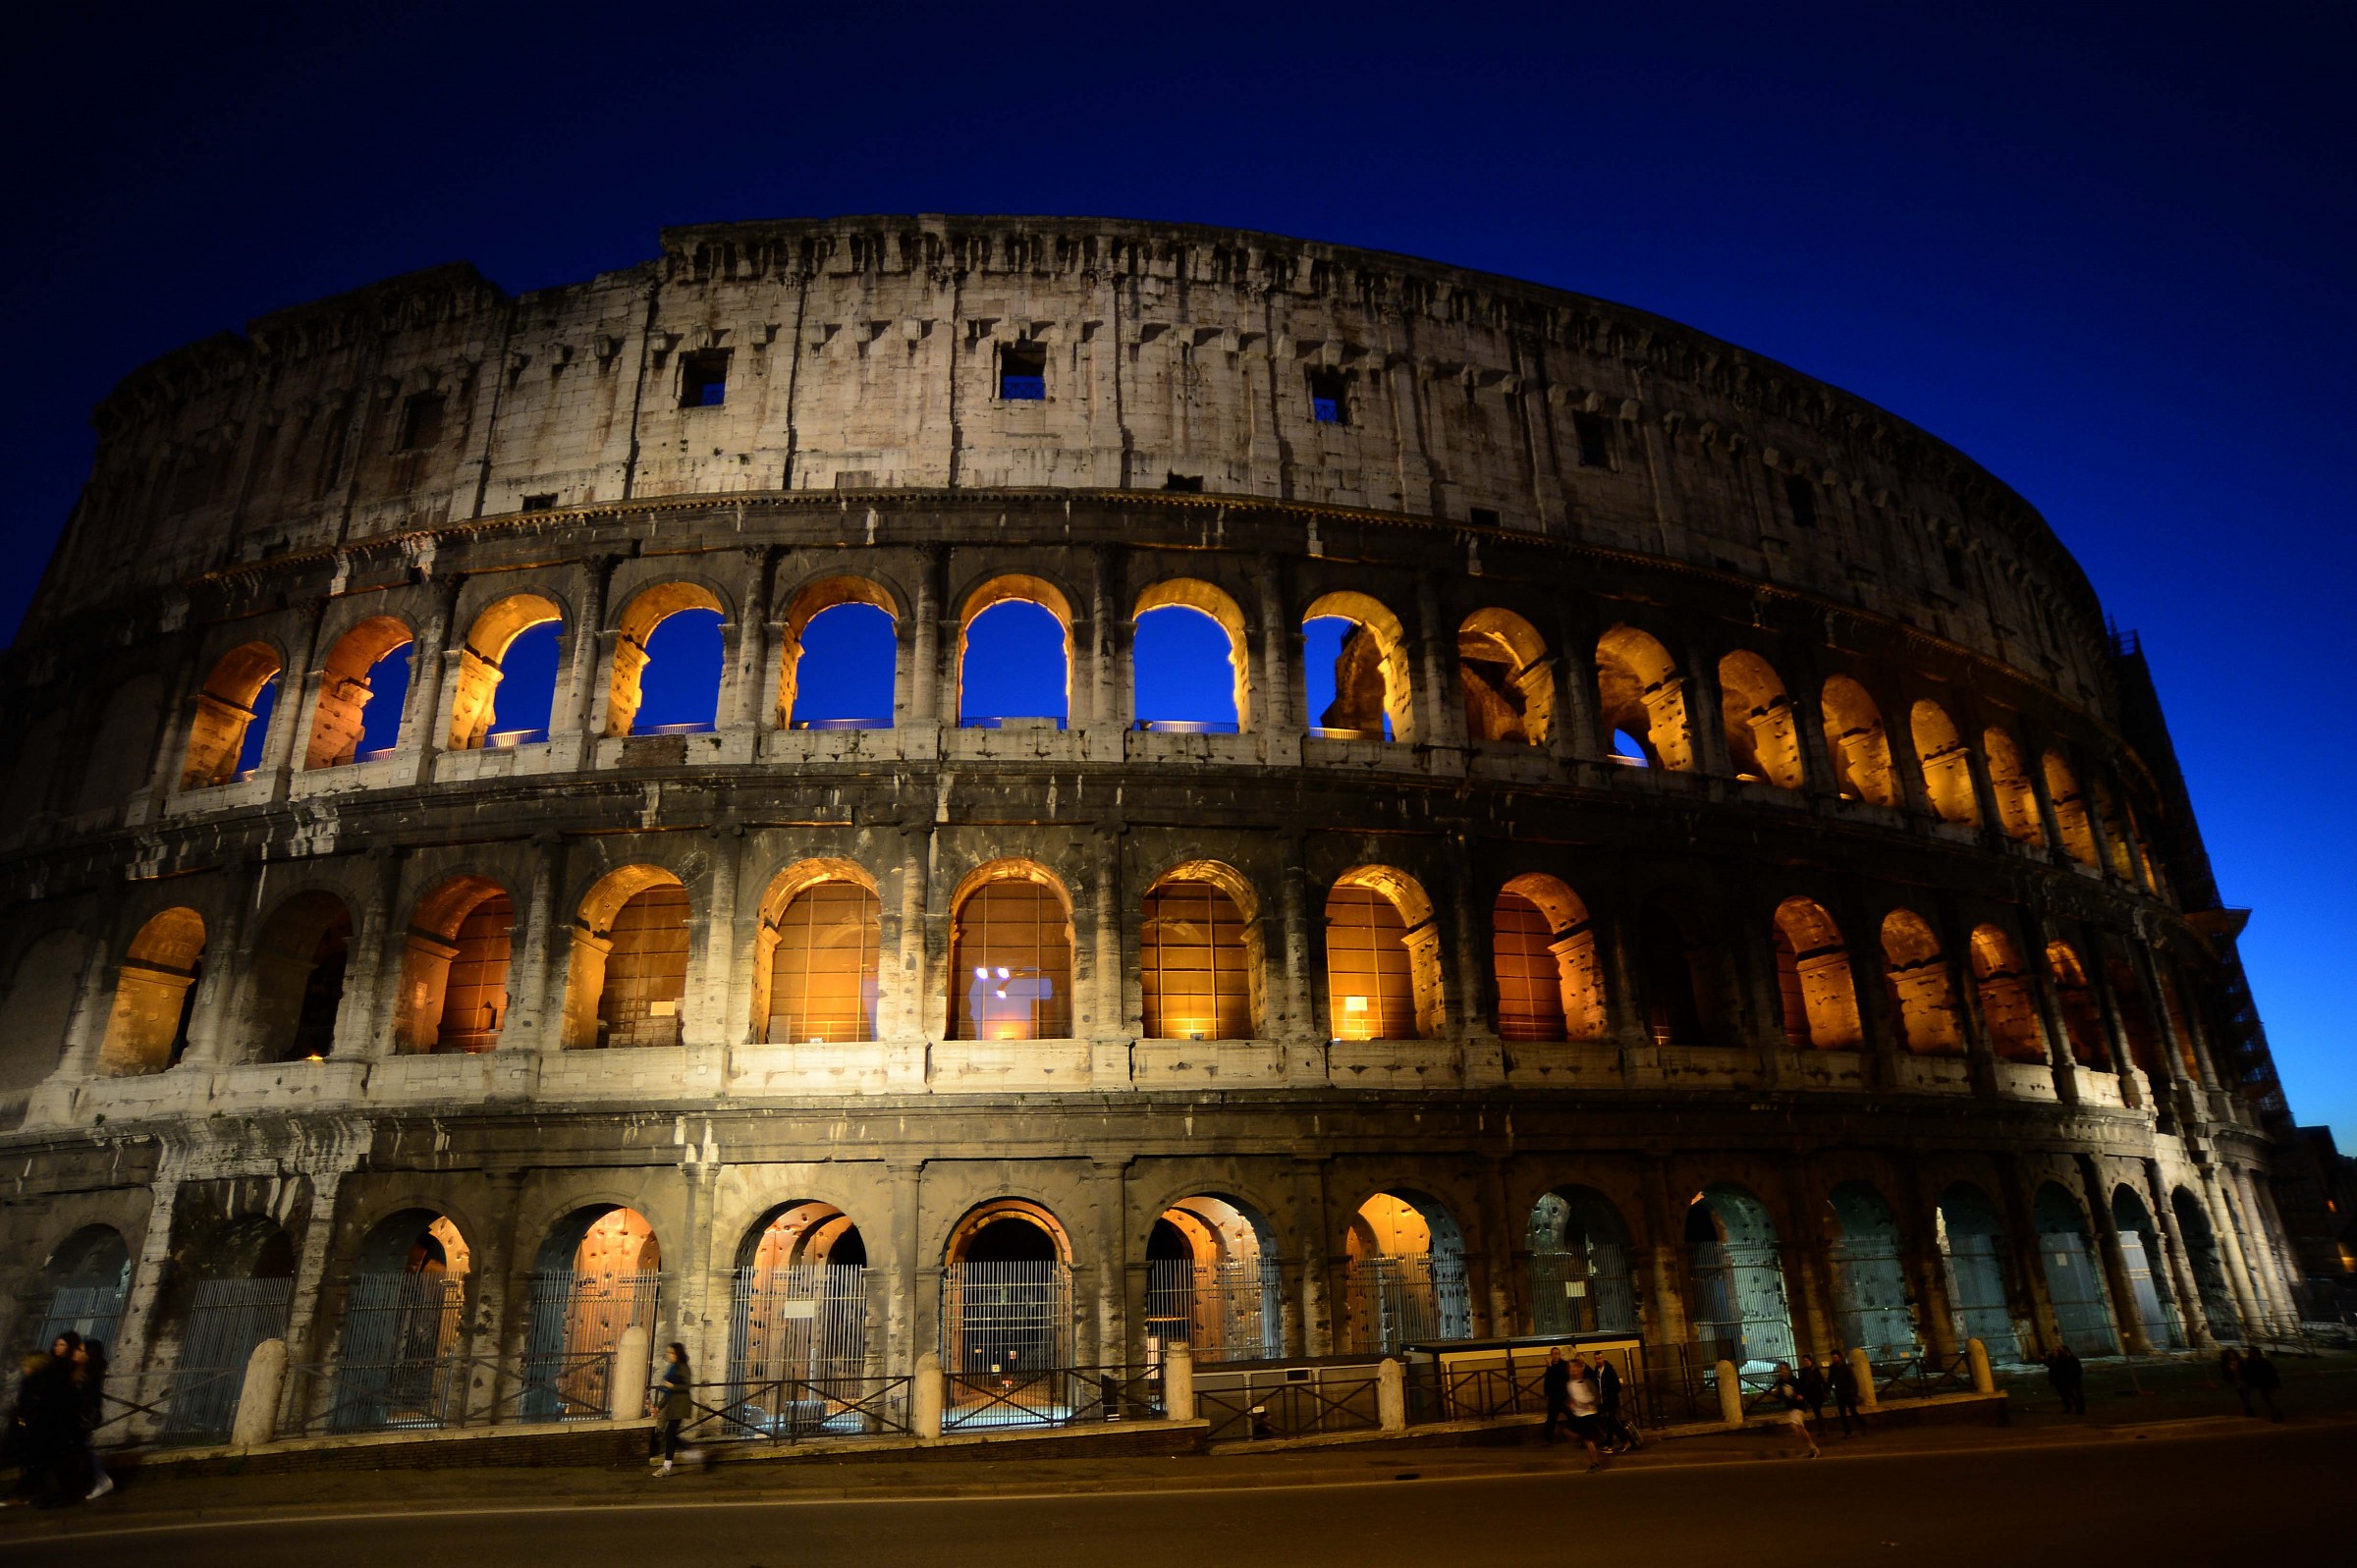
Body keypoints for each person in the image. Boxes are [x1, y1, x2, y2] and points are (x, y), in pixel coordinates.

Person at [647, 1341, 696, 1475]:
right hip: (672, 1405)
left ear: (677, 1354)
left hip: (680, 1406)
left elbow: (687, 1386)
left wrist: (673, 1386)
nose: (669, 1355)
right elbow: (667, 1392)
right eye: (668, 1352)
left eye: (671, 1352)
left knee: (669, 1433)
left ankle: (667, 1467)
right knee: (670, 1434)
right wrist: (658, 1407)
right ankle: (690, 1451)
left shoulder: (683, 1367)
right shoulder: (672, 1368)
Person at [72, 1341, 111, 1501]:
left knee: (86, 1447)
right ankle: (99, 1479)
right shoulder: (85, 1369)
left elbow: (90, 1396)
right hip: (83, 1415)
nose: (78, 1352)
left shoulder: (90, 1372)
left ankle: (102, 1479)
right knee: (85, 1447)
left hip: (84, 1416)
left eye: (81, 1350)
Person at [1562, 1357, 1609, 1472]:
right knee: (1565, 1430)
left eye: (1575, 1369)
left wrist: (1587, 1404)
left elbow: (1595, 1397)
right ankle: (1585, 1438)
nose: (1573, 1371)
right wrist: (1571, 1404)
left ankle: (1595, 1463)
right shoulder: (1569, 1384)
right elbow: (1571, 1398)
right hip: (1577, 1414)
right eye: (1571, 1369)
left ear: (1580, 1370)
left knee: (1588, 1440)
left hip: (1588, 1414)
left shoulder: (1587, 1382)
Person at [1770, 1361, 1820, 1459]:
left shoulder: (1794, 1381)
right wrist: (1775, 1393)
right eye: (1780, 1369)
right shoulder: (1781, 1382)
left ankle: (1807, 1445)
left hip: (1798, 1406)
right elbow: (1780, 1394)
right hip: (1790, 1407)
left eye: (1783, 1369)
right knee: (1800, 1428)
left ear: (1788, 1370)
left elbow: (1804, 1391)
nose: (1782, 1371)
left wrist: (1801, 1396)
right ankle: (1811, 1446)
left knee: (1793, 1425)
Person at [1595, 1355, 1640, 1452]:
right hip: (1604, 1402)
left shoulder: (1609, 1371)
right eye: (1596, 1358)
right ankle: (1610, 1444)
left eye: (1599, 1358)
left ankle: (1625, 1441)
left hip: (1610, 1402)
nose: (1598, 1360)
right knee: (1610, 1422)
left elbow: (1617, 1386)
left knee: (1613, 1422)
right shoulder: (1597, 1371)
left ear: (1603, 1359)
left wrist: (1609, 1395)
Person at [2241, 1345, 2283, 1422]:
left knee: (2269, 1399)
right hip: (2260, 1383)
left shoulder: (2262, 1361)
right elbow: (2249, 1373)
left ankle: (2276, 1414)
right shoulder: (2250, 1361)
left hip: (2266, 1382)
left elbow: (2271, 1373)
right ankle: (2275, 1413)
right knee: (2267, 1398)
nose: (2249, 1352)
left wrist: (2275, 1385)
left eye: (2250, 1351)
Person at [1540, 1346, 1572, 1445]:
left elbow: (1562, 1377)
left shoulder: (1563, 1365)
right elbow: (1548, 1381)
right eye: (1553, 1354)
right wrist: (1547, 1393)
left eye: (1557, 1353)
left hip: (1563, 1396)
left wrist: (1550, 1368)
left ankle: (1581, 1437)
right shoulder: (1551, 1366)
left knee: (1572, 1417)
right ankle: (1548, 1439)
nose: (1555, 1355)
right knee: (1551, 1419)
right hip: (1554, 1398)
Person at [1827, 1350, 1863, 1437]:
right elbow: (1830, 1380)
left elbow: (1853, 1381)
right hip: (1839, 1393)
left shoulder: (1846, 1367)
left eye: (1835, 1357)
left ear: (1840, 1357)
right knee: (1842, 1414)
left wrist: (1854, 1394)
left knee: (1853, 1411)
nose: (1834, 1359)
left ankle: (1863, 1425)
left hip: (1849, 1393)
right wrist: (1827, 1391)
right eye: (1832, 1358)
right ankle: (1847, 1432)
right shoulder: (1832, 1368)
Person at [1795, 1354, 1829, 1426]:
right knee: (1816, 1411)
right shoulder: (1803, 1371)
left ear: (1810, 1361)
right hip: (1809, 1394)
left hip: (1817, 1393)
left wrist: (1826, 1391)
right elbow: (1801, 1382)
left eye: (1807, 1360)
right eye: (1804, 1361)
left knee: (1817, 1410)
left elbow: (1821, 1381)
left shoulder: (1815, 1370)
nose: (1805, 1362)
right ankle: (1822, 1425)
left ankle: (1822, 1426)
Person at [2218, 1346, 2250, 1415]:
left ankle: (2248, 1408)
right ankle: (2247, 1408)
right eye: (2230, 1355)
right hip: (2236, 1381)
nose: (2232, 1356)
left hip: (2243, 1380)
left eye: (2232, 1354)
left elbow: (2246, 1369)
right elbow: (2226, 1371)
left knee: (2246, 1395)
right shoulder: (2228, 1363)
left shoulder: (2241, 1361)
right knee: (2241, 1395)